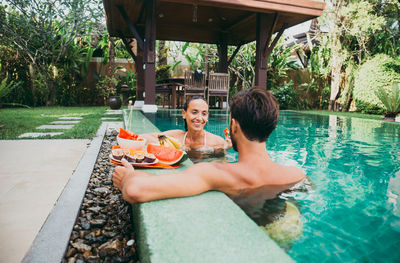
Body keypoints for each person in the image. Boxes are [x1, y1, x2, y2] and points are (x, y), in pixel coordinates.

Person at [113, 87, 305, 205]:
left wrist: (128, 176)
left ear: (234, 126)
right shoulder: (295, 174)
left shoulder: (214, 173)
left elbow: (135, 190)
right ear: (271, 126)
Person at [140, 96, 231, 154]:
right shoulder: (176, 136)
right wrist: (174, 147)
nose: (199, 118)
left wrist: (222, 150)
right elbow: (144, 137)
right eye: (194, 112)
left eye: (204, 114)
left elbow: (221, 167)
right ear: (184, 113)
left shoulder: (217, 142)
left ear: (207, 117)